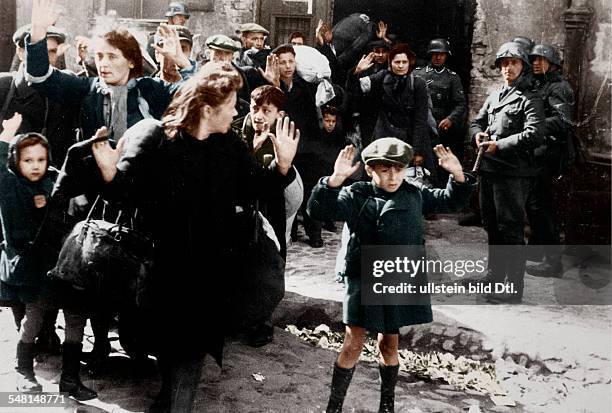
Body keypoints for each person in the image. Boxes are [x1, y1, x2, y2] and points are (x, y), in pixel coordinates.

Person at [90, 62, 300, 412]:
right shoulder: (159, 140)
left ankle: (173, 402)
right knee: (173, 350)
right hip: (162, 270)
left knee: (190, 353)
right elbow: (126, 197)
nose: (237, 110)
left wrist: (281, 167)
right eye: (232, 103)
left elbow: (252, 188)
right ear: (207, 108)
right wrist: (111, 174)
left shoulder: (228, 144)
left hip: (209, 271)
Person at [25, 0, 194, 374]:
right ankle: (99, 345)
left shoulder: (151, 91)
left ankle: (140, 342)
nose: (103, 63)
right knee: (93, 274)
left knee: (139, 273)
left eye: (113, 56)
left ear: (132, 60)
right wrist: (37, 32)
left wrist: (181, 61)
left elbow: (198, 96)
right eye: (99, 56)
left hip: (142, 201)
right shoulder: (86, 91)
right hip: (96, 203)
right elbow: (40, 76)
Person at [307, 138, 475, 413]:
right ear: (371, 169)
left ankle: (387, 405)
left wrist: (457, 175)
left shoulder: (415, 194)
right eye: (385, 169)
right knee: (353, 341)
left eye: (399, 169)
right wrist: (335, 179)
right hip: (362, 277)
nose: (393, 176)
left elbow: (451, 201)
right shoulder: (355, 194)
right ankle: (333, 408)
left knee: (389, 343)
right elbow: (319, 210)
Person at [0, 113, 96, 400]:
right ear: (16, 160)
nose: (35, 166)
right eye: (27, 160)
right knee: (34, 319)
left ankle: (70, 378)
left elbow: (70, 180)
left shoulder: (53, 181)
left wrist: (75, 196)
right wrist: (5, 137)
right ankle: (24, 372)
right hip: (34, 265)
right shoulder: (11, 186)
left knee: (76, 317)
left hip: (65, 264)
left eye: (40, 160)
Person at [469, 42, 544, 304]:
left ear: (522, 67)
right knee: (491, 225)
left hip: (512, 173)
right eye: (503, 64)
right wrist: (477, 134)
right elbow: (477, 121)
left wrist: (498, 145)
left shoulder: (530, 98)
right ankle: (494, 275)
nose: (507, 68)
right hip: (489, 170)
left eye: (513, 63)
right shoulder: (495, 94)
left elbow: (535, 134)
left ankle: (512, 286)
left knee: (510, 229)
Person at [525, 44, 575, 278]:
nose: (535, 63)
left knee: (541, 205)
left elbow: (563, 120)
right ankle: (536, 251)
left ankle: (553, 263)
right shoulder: (542, 83)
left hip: (552, 154)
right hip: (540, 152)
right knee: (534, 202)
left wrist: (536, 125)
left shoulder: (558, 87)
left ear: (552, 63)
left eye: (541, 59)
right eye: (533, 59)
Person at [350, 43, 433, 170]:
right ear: (391, 62)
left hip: (409, 138)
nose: (400, 66)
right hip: (385, 136)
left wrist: (417, 151)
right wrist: (357, 72)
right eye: (397, 62)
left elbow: (420, 119)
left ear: (409, 63)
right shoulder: (382, 77)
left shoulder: (418, 84)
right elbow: (357, 89)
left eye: (404, 62)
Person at [413, 39, 467, 186]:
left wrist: (450, 119)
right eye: (435, 54)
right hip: (421, 125)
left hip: (441, 128)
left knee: (440, 163)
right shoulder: (418, 74)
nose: (438, 58)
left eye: (442, 55)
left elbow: (460, 104)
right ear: (430, 55)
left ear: (446, 56)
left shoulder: (452, 77)